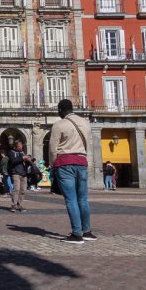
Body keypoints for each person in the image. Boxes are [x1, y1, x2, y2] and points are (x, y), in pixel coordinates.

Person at [49, 98, 94, 244]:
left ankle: (76, 234)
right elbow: (88, 145)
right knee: (83, 199)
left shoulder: (59, 124)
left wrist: (53, 165)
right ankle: (87, 231)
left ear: (61, 110)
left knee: (71, 199)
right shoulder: (86, 123)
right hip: (82, 161)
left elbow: (52, 149)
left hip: (65, 163)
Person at [8, 140, 29, 212]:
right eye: (19, 145)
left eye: (21, 145)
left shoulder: (22, 152)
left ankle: (20, 204)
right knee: (16, 189)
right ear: (16, 146)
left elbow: (25, 162)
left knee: (23, 190)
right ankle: (13, 205)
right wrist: (22, 158)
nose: (21, 146)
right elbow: (13, 161)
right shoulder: (11, 152)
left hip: (24, 173)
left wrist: (28, 160)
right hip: (15, 173)